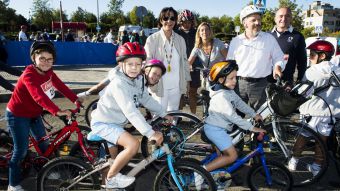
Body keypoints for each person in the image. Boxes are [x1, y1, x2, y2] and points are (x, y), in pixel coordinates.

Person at [88, 42, 172, 189]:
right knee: (133, 144)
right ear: (121, 65)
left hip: (115, 123)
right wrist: (150, 133)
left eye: (138, 64)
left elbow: (146, 99)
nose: (134, 68)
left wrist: (163, 113)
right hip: (103, 123)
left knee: (112, 162)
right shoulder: (118, 83)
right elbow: (130, 111)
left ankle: (108, 183)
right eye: (130, 64)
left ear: (142, 66)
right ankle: (111, 179)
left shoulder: (138, 80)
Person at [6, 41, 82, 191]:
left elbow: (60, 86)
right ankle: (12, 184)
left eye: (50, 59)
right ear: (34, 58)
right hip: (18, 115)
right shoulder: (28, 75)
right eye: (42, 58)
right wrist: (57, 111)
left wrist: (74, 98)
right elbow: (38, 96)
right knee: (20, 151)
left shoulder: (49, 72)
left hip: (34, 114)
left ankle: (47, 170)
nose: (46, 62)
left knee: (44, 145)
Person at [203, 60, 266, 173]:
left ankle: (215, 175)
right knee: (232, 156)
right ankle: (202, 172)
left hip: (220, 129)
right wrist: (252, 128)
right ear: (221, 80)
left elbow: (240, 104)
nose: (235, 81)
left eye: (236, 77)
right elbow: (233, 117)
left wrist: (254, 114)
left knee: (223, 155)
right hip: (215, 130)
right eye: (231, 78)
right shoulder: (221, 97)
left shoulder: (228, 91)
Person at [288, 40, 340, 176]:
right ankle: (317, 167)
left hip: (311, 111)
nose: (310, 58)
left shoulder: (312, 71)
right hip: (329, 113)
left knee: (302, 138)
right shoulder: (338, 70)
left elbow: (302, 91)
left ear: (322, 56)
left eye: (312, 55)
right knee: (322, 141)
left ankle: (293, 161)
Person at [227, 5, 285, 110]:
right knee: (235, 118)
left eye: (259, 19)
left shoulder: (269, 39)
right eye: (253, 20)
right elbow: (230, 63)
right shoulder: (236, 41)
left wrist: (277, 67)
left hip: (261, 86)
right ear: (244, 23)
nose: (258, 23)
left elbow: (279, 57)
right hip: (238, 85)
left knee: (261, 118)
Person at [144, 7, 191, 112]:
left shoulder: (180, 39)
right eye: (165, 18)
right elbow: (147, 62)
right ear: (161, 20)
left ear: (175, 21)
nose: (169, 21)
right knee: (159, 117)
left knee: (173, 116)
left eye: (172, 18)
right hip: (159, 85)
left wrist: (187, 81)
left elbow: (184, 62)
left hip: (176, 86)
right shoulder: (152, 39)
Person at [77, 58, 167, 97]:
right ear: (147, 70)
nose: (156, 77)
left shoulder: (144, 79)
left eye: (159, 75)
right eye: (155, 73)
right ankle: (85, 94)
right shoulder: (137, 75)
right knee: (100, 86)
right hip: (116, 75)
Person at [270, 7, 307, 89]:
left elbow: (302, 62)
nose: (283, 19)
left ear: (291, 19)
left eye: (287, 16)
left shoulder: (298, 36)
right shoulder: (267, 35)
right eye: (280, 16)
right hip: (266, 82)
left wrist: (299, 81)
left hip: (286, 84)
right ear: (275, 18)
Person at [188, 22, 228, 90]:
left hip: (220, 76)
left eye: (207, 29)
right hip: (207, 77)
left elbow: (228, 58)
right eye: (202, 30)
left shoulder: (217, 43)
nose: (205, 32)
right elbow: (188, 62)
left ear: (210, 31)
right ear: (199, 33)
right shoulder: (197, 47)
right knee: (206, 95)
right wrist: (188, 66)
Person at [176, 9, 201, 114]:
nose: (187, 24)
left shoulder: (196, 33)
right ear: (180, 22)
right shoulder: (175, 33)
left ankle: (194, 116)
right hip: (179, 67)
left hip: (194, 66)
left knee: (193, 93)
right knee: (179, 93)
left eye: (189, 22)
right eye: (185, 22)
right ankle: (177, 116)